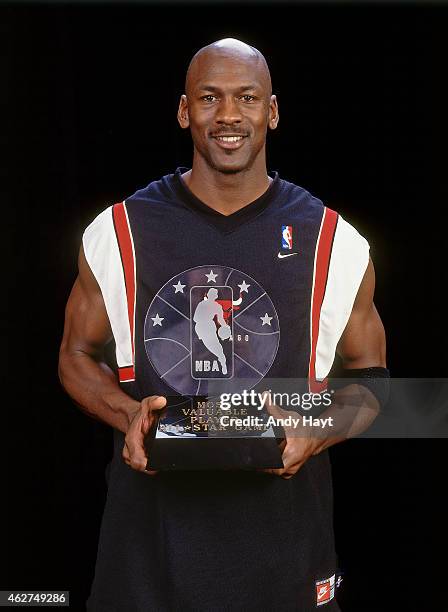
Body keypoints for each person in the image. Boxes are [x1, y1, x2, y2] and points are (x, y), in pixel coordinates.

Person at [58, 38, 388, 611]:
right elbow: (74, 356)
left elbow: (376, 383)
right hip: (144, 570)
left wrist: (319, 430)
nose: (229, 115)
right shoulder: (119, 232)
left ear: (273, 111)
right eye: (209, 98)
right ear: (185, 111)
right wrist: (126, 414)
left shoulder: (333, 244)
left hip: (287, 566)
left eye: (247, 98)